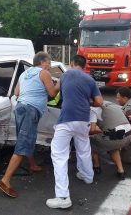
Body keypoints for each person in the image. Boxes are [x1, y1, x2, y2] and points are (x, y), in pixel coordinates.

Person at [0, 52, 59, 198]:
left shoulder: (24, 74)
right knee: (24, 143)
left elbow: (17, 93)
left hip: (20, 108)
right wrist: (59, 84)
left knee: (26, 137)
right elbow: (52, 94)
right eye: (49, 63)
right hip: (31, 109)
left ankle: (32, 164)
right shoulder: (44, 73)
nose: (49, 66)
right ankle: (5, 180)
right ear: (43, 62)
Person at [46, 55, 103, 209]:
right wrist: (86, 100)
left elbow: (53, 93)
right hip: (83, 119)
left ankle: (63, 197)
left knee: (58, 155)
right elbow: (99, 102)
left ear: (71, 64)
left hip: (66, 119)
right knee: (84, 148)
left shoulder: (65, 75)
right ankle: (87, 176)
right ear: (84, 66)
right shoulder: (89, 80)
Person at [89, 102, 131, 180]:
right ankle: (121, 171)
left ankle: (96, 166)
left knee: (91, 140)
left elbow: (92, 130)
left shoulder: (93, 109)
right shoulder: (111, 104)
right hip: (129, 135)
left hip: (115, 138)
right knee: (113, 144)